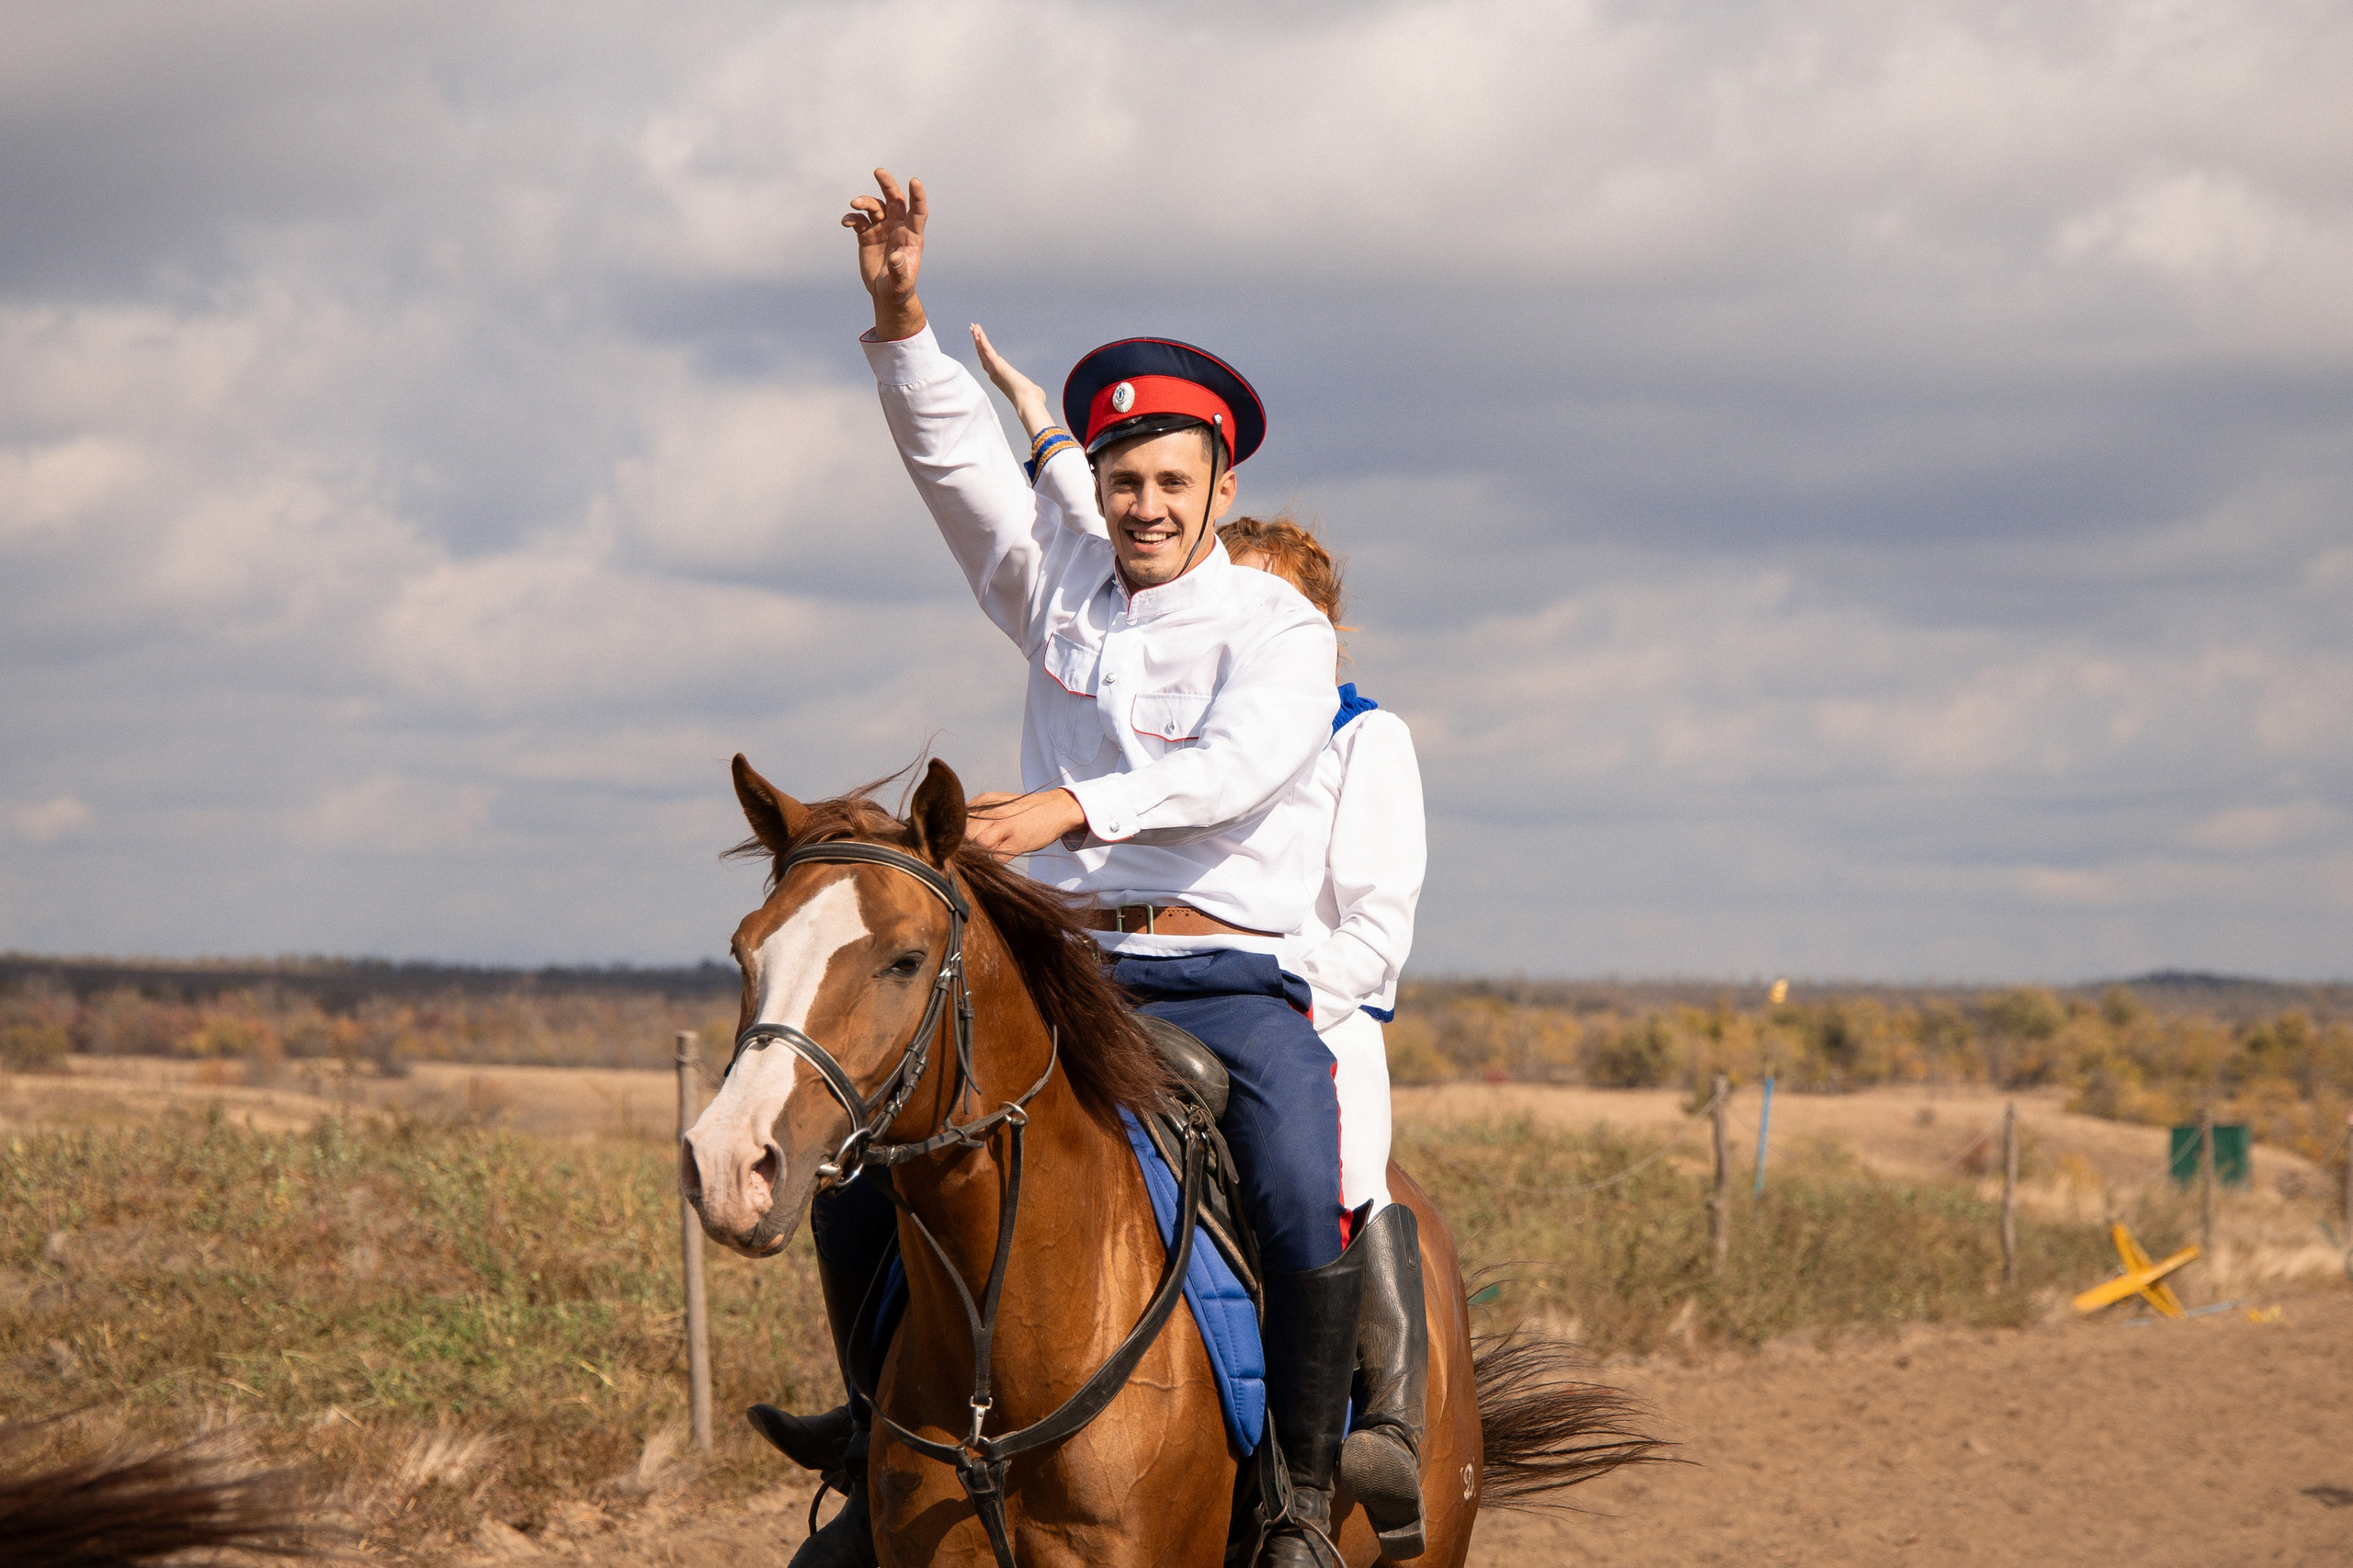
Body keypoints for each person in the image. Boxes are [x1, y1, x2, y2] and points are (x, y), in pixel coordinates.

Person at [756, 168, 1365, 1568]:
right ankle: (878, 1439)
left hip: (1219, 977)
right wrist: (901, 315)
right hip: (1062, 964)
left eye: (1170, 480)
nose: (1145, 506)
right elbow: (958, 471)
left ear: (1222, 483)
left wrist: (1063, 811)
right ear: (1094, 482)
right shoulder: (1058, 586)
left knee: (1292, 1171)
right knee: (865, 1157)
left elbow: (1237, 767)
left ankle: (1293, 1500)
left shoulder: (1277, 631)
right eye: (1122, 480)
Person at [972, 329, 1432, 1554]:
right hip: (1127, 968)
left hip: (1296, 991)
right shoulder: (1159, 644)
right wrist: (1038, 428)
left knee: (1329, 1172)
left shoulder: (1359, 735)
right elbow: (1101, 512)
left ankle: (1334, 1453)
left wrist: (1292, 978)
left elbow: (1372, 928)